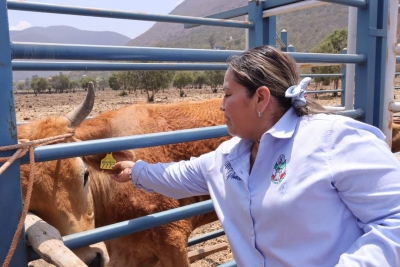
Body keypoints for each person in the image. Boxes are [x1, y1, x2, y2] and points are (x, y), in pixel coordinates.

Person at [109, 45, 400, 267]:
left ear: (260, 98)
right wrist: (130, 170)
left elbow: (394, 221)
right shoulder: (227, 157)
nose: (220, 106)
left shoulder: (335, 139)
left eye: (226, 95)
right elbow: (173, 176)